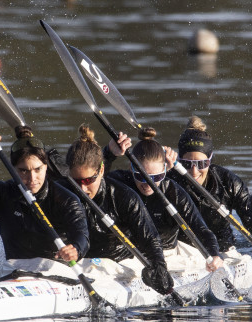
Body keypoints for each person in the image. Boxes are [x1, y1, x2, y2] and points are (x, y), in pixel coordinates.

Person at [62, 124, 173, 295]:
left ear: (102, 170)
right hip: (78, 264)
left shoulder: (124, 196)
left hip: (118, 265)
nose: (82, 189)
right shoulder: (61, 192)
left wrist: (159, 267)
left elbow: (150, 239)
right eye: (76, 182)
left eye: (88, 181)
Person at [167, 116, 252, 268]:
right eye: (187, 164)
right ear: (180, 162)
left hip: (223, 252)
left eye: (201, 164)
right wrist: (160, 170)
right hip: (182, 251)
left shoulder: (228, 182)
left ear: (210, 160)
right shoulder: (167, 181)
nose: (194, 171)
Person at [0, 125, 89, 262]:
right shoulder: (4, 193)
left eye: (37, 169)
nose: (32, 178)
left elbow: (82, 236)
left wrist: (75, 249)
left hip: (56, 269)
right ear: (13, 170)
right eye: (23, 171)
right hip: (14, 271)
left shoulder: (66, 200)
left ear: (46, 167)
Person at [104, 127, 224, 272]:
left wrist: (214, 254)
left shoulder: (173, 191)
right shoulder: (120, 182)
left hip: (169, 256)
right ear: (131, 168)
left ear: (165, 171)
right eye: (141, 176)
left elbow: (201, 229)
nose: (148, 184)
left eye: (156, 177)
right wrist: (109, 153)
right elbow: (92, 181)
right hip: (131, 256)